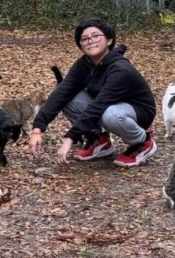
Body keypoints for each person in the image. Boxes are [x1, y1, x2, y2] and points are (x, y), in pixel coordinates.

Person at [29, 18, 157, 168]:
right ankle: (99, 140)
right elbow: (62, 92)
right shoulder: (85, 64)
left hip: (137, 112)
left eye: (96, 36)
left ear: (109, 40)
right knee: (68, 98)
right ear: (81, 46)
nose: (90, 41)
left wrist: (70, 138)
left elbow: (99, 106)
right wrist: (37, 129)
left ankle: (142, 142)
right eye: (84, 39)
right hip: (107, 107)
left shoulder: (120, 69)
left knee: (111, 114)